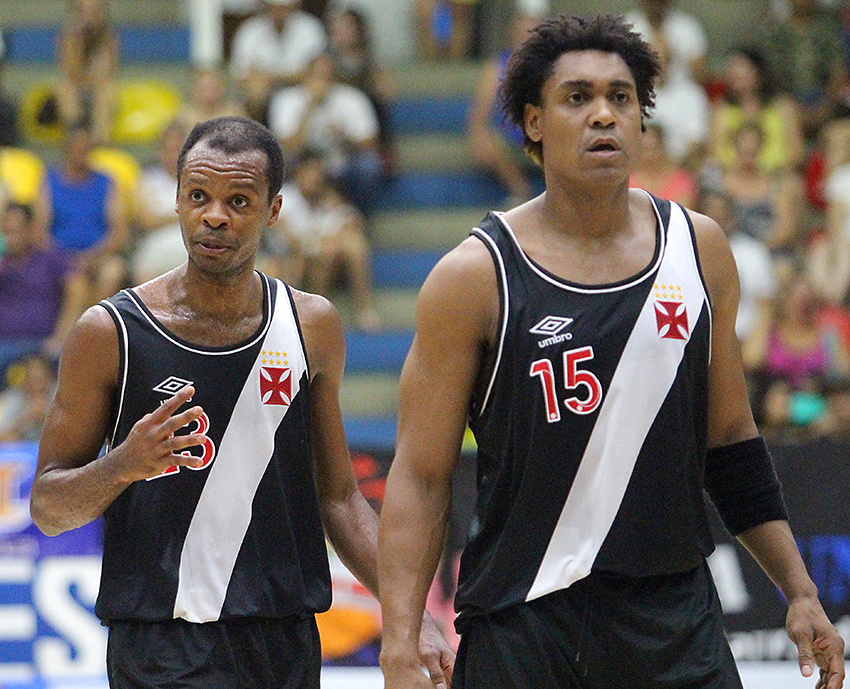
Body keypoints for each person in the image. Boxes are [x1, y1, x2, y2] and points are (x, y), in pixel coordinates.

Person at [377, 14, 845, 689]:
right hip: (523, 624)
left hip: (673, 619)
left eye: (620, 98)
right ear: (533, 121)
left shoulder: (699, 249)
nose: (604, 114)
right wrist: (399, 638)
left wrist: (798, 589)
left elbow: (731, 441)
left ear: (641, 118)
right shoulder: (473, 277)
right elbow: (422, 477)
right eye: (578, 98)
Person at [29, 116, 453, 688]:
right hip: (162, 645)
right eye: (198, 196)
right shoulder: (110, 332)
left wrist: (412, 620)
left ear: (273, 211)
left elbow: (340, 499)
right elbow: (48, 507)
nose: (214, 215)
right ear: (177, 200)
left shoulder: (312, 325)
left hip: (283, 641)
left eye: (238, 201)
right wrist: (122, 465)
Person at [269, 150, 381, 330]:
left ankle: (363, 308)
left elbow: (352, 222)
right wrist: (318, 244)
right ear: (298, 173)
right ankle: (316, 317)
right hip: (290, 259)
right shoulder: (285, 198)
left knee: (354, 244)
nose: (315, 178)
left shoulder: (328, 198)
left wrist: (329, 240)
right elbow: (289, 239)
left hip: (326, 256)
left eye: (319, 173)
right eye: (310, 172)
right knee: (320, 255)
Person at [267, 52, 383, 214]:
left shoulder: (352, 98)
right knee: (275, 164)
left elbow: (371, 142)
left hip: (341, 159)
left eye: (326, 76)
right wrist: (309, 109)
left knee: (368, 166)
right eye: (316, 76)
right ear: (305, 76)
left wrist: (345, 136)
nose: (322, 82)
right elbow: (286, 146)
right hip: (301, 161)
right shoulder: (287, 99)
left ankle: (356, 214)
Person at [33, 122, 129, 308]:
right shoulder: (48, 181)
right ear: (65, 149)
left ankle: (100, 321)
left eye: (86, 148)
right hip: (60, 257)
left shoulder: (106, 182)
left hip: (99, 256)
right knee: (75, 281)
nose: (81, 153)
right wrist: (66, 259)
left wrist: (93, 257)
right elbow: (39, 232)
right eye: (76, 147)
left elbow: (119, 232)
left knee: (113, 271)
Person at [466, 0, 548, 205]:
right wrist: (478, 134)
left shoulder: (554, 64)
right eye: (523, 24)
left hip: (546, 137)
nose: (527, 31)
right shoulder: (498, 65)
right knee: (488, 143)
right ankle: (522, 192)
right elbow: (480, 111)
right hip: (512, 139)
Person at [0, 202, 86, 382]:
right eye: (6, 232)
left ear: (30, 229)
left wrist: (61, 335)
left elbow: (77, 290)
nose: (10, 238)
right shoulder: (4, 263)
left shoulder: (51, 258)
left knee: (75, 362)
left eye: (15, 232)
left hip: (45, 342)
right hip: (6, 343)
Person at [709, 46, 804, 175]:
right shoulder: (721, 109)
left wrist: (766, 173)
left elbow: (796, 154)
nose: (735, 73)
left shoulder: (783, 107)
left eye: (742, 68)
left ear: (759, 72)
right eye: (731, 69)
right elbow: (713, 154)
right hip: (731, 179)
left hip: (776, 178)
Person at [230, 0, 327, 124]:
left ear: (293, 8)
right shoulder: (250, 30)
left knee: (317, 86)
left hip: (300, 88)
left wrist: (270, 76)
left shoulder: (310, 27)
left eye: (282, 8)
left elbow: (317, 70)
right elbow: (241, 74)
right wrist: (292, 75)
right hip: (265, 88)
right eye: (273, 8)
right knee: (254, 90)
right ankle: (256, 132)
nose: (278, 13)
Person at [56, 0, 119, 144]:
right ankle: (74, 133)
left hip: (99, 88)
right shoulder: (69, 37)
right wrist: (79, 41)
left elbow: (109, 71)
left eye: (94, 12)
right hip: (76, 87)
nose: (89, 17)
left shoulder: (108, 37)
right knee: (66, 89)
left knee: (105, 91)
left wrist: (91, 78)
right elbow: (71, 72)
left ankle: (100, 141)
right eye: (83, 12)